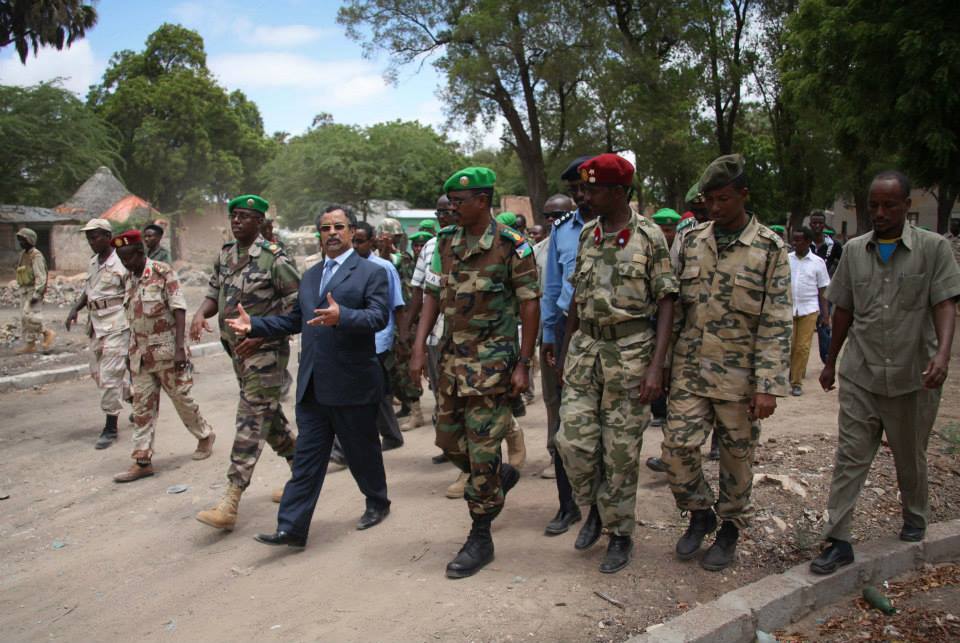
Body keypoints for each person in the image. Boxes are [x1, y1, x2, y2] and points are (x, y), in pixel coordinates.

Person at [810, 171, 960, 575]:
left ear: (906, 205)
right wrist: (830, 362)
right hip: (862, 373)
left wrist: (943, 355)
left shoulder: (933, 250)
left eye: (889, 205)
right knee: (850, 457)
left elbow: (945, 303)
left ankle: (914, 515)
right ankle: (838, 539)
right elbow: (843, 309)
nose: (879, 212)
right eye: (873, 205)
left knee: (910, 455)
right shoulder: (855, 251)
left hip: (915, 376)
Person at [227, 206, 392, 548]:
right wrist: (254, 325)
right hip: (313, 386)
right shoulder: (312, 275)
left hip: (352, 383)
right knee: (306, 461)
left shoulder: (370, 273)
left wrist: (341, 315)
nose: (332, 232)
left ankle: (377, 502)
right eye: (326, 227)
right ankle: (292, 527)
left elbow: (378, 317)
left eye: (339, 227)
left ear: (350, 231)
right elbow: (293, 320)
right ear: (319, 233)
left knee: (362, 454)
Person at [663, 154, 791, 572]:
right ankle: (700, 513)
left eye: (722, 199)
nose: (714, 208)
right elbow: (677, 310)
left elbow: (776, 318)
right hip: (691, 368)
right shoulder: (692, 240)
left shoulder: (769, 248)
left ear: (742, 195)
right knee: (676, 448)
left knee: (737, 458)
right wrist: (663, 365)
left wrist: (767, 385)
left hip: (740, 377)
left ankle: (731, 528)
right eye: (708, 200)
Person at [410, 166, 540, 578]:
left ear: (482, 201)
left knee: (482, 451)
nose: (452, 209)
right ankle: (498, 476)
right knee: (449, 441)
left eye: (459, 202)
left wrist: (523, 363)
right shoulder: (445, 242)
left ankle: (480, 535)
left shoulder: (512, 246)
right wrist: (418, 347)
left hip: (493, 368)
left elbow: (529, 305)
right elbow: (432, 293)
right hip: (450, 362)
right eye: (450, 202)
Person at [555, 154, 677, 574]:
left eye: (593, 189)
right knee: (573, 442)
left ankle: (620, 533)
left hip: (630, 353)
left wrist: (656, 367)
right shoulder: (588, 233)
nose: (584, 195)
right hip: (586, 351)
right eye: (583, 188)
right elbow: (575, 295)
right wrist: (566, 343)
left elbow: (666, 302)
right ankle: (596, 508)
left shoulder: (650, 236)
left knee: (621, 453)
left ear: (620, 192)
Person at [190, 194, 300, 531]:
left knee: (250, 418)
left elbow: (296, 309)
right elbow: (214, 292)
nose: (237, 221)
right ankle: (304, 469)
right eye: (234, 216)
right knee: (269, 417)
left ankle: (231, 498)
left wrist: (263, 333)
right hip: (237, 351)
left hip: (266, 352)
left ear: (260, 222)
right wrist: (198, 315)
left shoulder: (274, 259)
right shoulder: (225, 255)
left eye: (244, 217)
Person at [109, 230, 215, 482]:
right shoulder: (128, 279)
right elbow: (131, 319)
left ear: (139, 253)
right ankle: (142, 460)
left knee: (182, 400)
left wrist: (180, 348)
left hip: (167, 351)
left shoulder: (162, 272)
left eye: (128, 258)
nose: (125, 263)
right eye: (121, 259)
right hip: (141, 356)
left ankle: (204, 435)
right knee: (142, 407)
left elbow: (178, 310)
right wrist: (128, 352)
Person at [541, 159, 595, 536]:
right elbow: (553, 289)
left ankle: (602, 510)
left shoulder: (629, 231)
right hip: (565, 333)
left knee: (605, 425)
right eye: (575, 190)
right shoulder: (563, 232)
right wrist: (549, 337)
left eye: (586, 188)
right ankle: (567, 505)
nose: (580, 196)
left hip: (609, 333)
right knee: (563, 424)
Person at [330, 220, 406, 465]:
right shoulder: (345, 269)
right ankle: (391, 435)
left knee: (364, 392)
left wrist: (402, 340)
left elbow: (398, 306)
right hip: (352, 338)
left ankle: (345, 448)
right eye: (353, 241)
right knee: (375, 392)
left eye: (360, 241)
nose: (355, 246)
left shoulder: (383, 268)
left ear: (372, 242)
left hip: (378, 340)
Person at [65, 218, 132, 449]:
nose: (91, 242)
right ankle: (136, 398)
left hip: (117, 323)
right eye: (88, 238)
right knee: (97, 373)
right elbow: (89, 290)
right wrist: (75, 308)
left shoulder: (121, 261)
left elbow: (132, 291)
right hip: (96, 324)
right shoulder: (94, 262)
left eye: (95, 237)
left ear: (107, 236)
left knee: (110, 374)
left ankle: (110, 426)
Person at [378, 217, 423, 431]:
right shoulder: (374, 260)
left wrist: (406, 328)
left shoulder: (403, 259)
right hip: (387, 322)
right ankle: (406, 405)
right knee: (394, 369)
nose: (393, 241)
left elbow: (407, 295)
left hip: (405, 319)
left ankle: (416, 410)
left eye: (395, 237)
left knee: (405, 368)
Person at [788, 227, 830, 396]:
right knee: (789, 346)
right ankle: (791, 373)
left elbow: (823, 290)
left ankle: (796, 382)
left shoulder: (818, 263)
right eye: (794, 240)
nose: (795, 243)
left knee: (802, 347)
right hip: (788, 308)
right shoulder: (786, 259)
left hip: (809, 308)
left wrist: (825, 315)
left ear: (807, 242)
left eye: (799, 240)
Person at [15, 228, 54, 354]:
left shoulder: (36, 255)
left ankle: (47, 333)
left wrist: (37, 295)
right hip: (24, 289)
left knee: (31, 317)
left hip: (33, 290)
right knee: (24, 318)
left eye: (23, 240)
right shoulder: (23, 255)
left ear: (30, 240)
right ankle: (30, 344)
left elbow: (41, 277)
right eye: (20, 240)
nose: (21, 243)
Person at [810, 210, 843, 362]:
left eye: (820, 223)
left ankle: (827, 359)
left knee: (824, 323)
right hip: (806, 290)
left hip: (825, 291)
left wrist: (833, 276)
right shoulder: (804, 242)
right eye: (814, 223)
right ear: (810, 224)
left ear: (824, 225)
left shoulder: (833, 245)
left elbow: (843, 264)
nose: (817, 226)